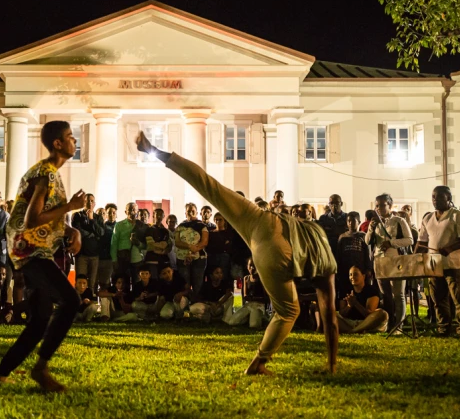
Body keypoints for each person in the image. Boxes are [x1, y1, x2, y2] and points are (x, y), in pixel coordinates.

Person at [135, 132, 338, 375]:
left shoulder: (263, 216)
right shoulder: (325, 259)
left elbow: (205, 182)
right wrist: (332, 363)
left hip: (265, 239)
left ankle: (258, 364)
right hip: (273, 246)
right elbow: (330, 318)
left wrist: (155, 152)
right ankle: (259, 363)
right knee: (289, 312)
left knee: (212, 188)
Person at [0, 120, 84, 392]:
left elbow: (41, 218)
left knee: (41, 319)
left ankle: (1, 374)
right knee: (71, 300)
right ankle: (41, 368)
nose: (74, 141)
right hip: (31, 251)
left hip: (30, 249)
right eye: (70, 137)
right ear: (57, 143)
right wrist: (71, 206)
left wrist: (71, 230)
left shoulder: (48, 172)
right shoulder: (46, 173)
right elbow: (32, 219)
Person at [416, 186, 460, 339]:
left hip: (454, 264)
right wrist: (414, 258)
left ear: (449, 198)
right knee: (438, 299)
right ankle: (443, 329)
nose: (435, 200)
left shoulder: (458, 216)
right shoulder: (427, 218)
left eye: (440, 197)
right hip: (434, 265)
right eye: (433, 197)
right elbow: (421, 242)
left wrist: (450, 248)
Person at [365, 193, 413, 331]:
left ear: (390, 206)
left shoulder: (399, 221)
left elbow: (409, 240)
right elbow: (367, 241)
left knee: (399, 294)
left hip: (396, 260)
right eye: (376, 205)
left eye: (382, 205)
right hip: (380, 261)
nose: (378, 208)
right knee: (385, 294)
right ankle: (389, 322)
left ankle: (399, 325)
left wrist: (391, 243)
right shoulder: (375, 222)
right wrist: (370, 229)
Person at [335, 266, 388, 334]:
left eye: (355, 274)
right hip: (349, 322)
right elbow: (342, 314)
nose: (352, 277)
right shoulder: (346, 291)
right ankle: (357, 330)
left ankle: (353, 331)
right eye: (350, 275)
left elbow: (368, 314)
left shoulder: (371, 291)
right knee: (331, 314)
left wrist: (356, 303)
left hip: (367, 322)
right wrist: (349, 306)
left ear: (363, 276)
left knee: (382, 313)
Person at [71, 193, 105, 296]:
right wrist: (92, 234)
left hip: (94, 255)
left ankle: (91, 303)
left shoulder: (98, 217)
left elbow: (101, 232)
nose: (90, 203)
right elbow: (78, 231)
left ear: (94, 203)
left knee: (92, 283)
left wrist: (91, 219)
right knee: (80, 282)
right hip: (82, 254)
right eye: (87, 201)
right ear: (83, 202)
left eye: (92, 201)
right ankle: (79, 304)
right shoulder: (77, 215)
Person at [336, 212, 373, 299]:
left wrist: (368, 268)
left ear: (359, 221)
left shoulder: (363, 236)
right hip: (345, 270)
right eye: (348, 221)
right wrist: (338, 269)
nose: (350, 223)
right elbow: (339, 254)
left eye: (353, 221)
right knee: (345, 291)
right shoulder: (342, 237)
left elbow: (368, 253)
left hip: (360, 269)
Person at [174, 203, 209, 297]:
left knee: (197, 284)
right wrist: (189, 246)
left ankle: (196, 304)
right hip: (182, 258)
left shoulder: (202, 226)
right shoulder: (180, 226)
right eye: (188, 211)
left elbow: (204, 242)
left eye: (192, 210)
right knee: (185, 284)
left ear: (196, 212)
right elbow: (177, 242)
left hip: (199, 258)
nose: (190, 212)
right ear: (185, 213)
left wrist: (195, 249)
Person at [227, 259, 268, 329]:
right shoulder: (246, 278)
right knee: (232, 322)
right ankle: (247, 318)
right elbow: (245, 294)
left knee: (254, 325)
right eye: (250, 265)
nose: (252, 268)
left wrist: (254, 298)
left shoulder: (262, 279)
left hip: (258, 305)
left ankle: (262, 318)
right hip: (248, 304)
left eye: (254, 266)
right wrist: (247, 298)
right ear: (247, 266)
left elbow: (266, 298)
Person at [111, 202, 142, 283]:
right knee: (124, 283)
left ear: (137, 212)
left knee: (137, 282)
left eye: (134, 210)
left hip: (137, 258)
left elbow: (145, 244)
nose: (132, 212)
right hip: (123, 259)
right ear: (125, 212)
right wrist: (114, 260)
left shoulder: (141, 225)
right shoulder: (119, 225)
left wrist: (138, 243)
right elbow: (114, 243)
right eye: (129, 210)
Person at [143, 208, 172, 277]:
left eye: (161, 215)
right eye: (157, 214)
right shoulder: (149, 229)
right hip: (151, 260)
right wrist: (161, 249)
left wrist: (158, 247)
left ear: (163, 216)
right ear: (153, 216)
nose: (159, 216)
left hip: (163, 261)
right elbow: (150, 245)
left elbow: (166, 245)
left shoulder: (165, 231)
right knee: (154, 281)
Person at [97, 203, 117, 293]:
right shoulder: (102, 227)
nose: (111, 215)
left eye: (113, 213)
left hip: (113, 258)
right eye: (109, 213)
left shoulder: (119, 226)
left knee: (113, 281)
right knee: (102, 282)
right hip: (102, 258)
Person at [206, 213, 233, 280]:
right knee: (212, 275)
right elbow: (209, 246)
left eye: (220, 219)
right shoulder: (211, 232)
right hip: (212, 257)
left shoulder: (228, 233)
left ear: (224, 221)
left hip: (223, 257)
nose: (218, 221)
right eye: (216, 219)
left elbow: (227, 247)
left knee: (223, 275)